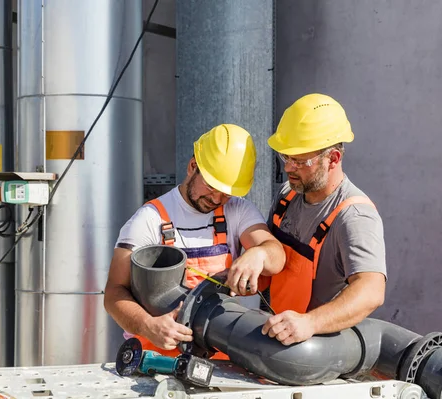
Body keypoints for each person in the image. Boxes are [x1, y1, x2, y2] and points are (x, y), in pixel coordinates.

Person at [104, 123, 285, 357]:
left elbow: (276, 256)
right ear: (192, 167)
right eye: (211, 186)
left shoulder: (238, 211)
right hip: (158, 361)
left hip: (222, 361)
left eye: (227, 192)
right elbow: (113, 293)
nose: (217, 198)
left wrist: (259, 254)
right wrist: (148, 326)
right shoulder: (149, 219)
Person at [260, 93, 387, 346]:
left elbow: (372, 291)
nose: (288, 168)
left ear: (333, 159)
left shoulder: (354, 216)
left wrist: (310, 323)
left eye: (300, 161)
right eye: (286, 158)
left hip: (318, 353)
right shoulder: (288, 195)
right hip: (273, 339)